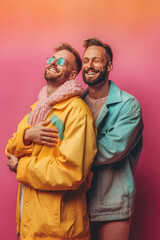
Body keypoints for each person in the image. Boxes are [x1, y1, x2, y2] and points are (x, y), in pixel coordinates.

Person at [6, 43, 97, 240]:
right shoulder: (38, 109)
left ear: (72, 75)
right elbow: (10, 148)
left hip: (59, 231)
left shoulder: (76, 111)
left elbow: (71, 172)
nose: (53, 62)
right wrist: (27, 136)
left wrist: (21, 166)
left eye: (61, 61)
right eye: (51, 59)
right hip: (31, 226)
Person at [81, 38, 143, 240]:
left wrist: (64, 155)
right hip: (76, 204)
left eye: (96, 60)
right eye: (86, 60)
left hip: (112, 206)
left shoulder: (128, 105)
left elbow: (110, 150)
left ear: (109, 65)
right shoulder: (74, 105)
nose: (89, 65)